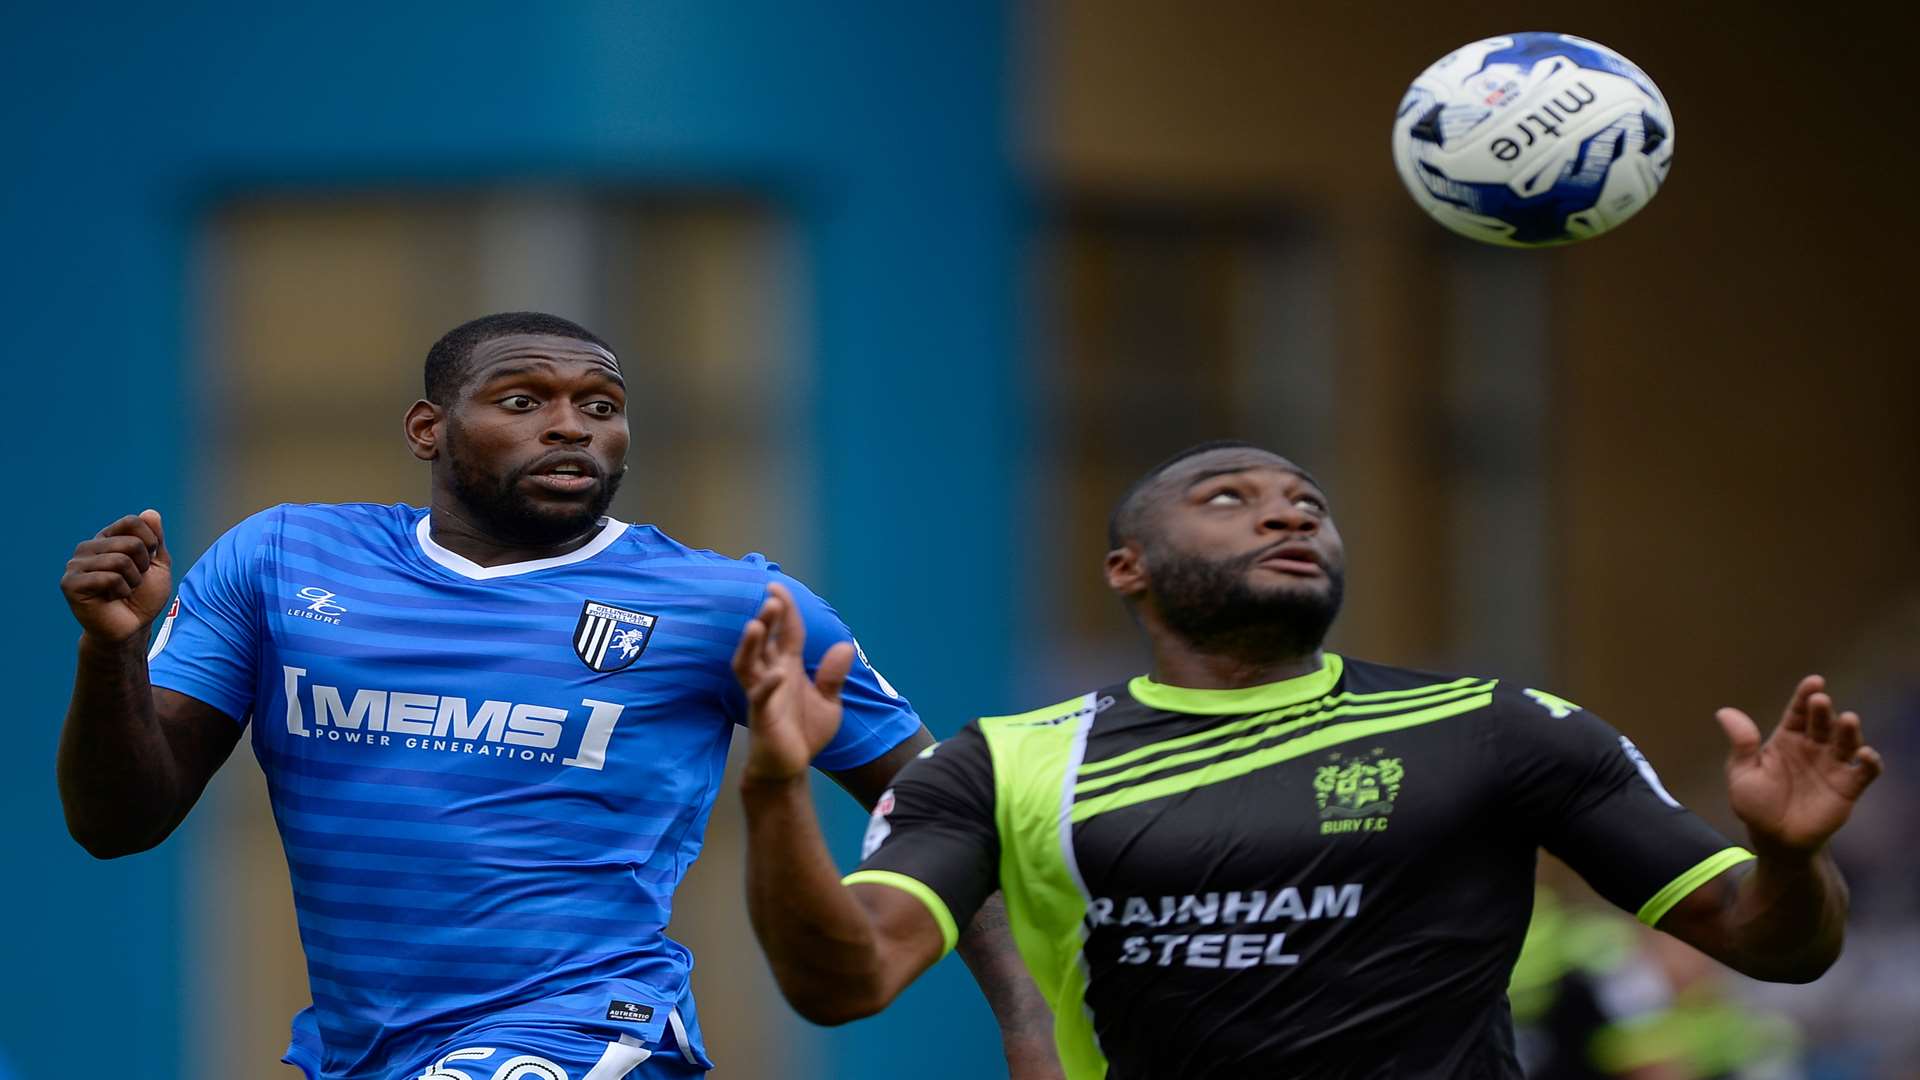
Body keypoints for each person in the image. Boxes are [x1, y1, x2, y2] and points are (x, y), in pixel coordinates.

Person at [57, 312, 1056, 1080]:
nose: (572, 427)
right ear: (427, 428)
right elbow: (118, 823)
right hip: (361, 1045)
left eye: (602, 406)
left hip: (588, 1025)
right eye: (524, 401)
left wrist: (1029, 1024)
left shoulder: (732, 605)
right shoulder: (281, 559)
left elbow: (944, 812)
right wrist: (114, 653)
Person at [731, 440, 1884, 1078]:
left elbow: (1770, 945)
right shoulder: (1006, 763)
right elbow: (843, 984)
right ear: (1127, 568)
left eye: (1309, 505)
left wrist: (1787, 856)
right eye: (1230, 500)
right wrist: (779, 789)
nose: (1289, 519)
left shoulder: (1496, 726)